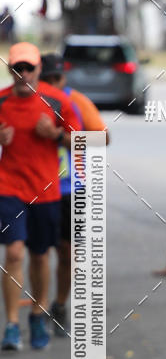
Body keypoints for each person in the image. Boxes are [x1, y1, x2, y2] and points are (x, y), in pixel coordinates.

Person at [0, 42, 79, 350]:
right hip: (8, 188)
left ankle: (37, 312)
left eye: (28, 68)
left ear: (38, 70)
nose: (22, 74)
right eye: (16, 68)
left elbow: (86, 144)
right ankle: (11, 325)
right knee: (14, 252)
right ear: (10, 70)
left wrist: (57, 135)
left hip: (45, 190)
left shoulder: (57, 102)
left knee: (40, 255)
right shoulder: (2, 101)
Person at [40, 53, 109, 335]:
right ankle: (39, 307)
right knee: (38, 253)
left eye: (57, 78)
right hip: (36, 190)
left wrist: (60, 138)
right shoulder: (31, 101)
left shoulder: (75, 101)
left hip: (72, 189)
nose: (53, 84)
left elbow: (104, 138)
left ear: (63, 77)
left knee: (69, 253)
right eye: (47, 79)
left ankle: (59, 304)